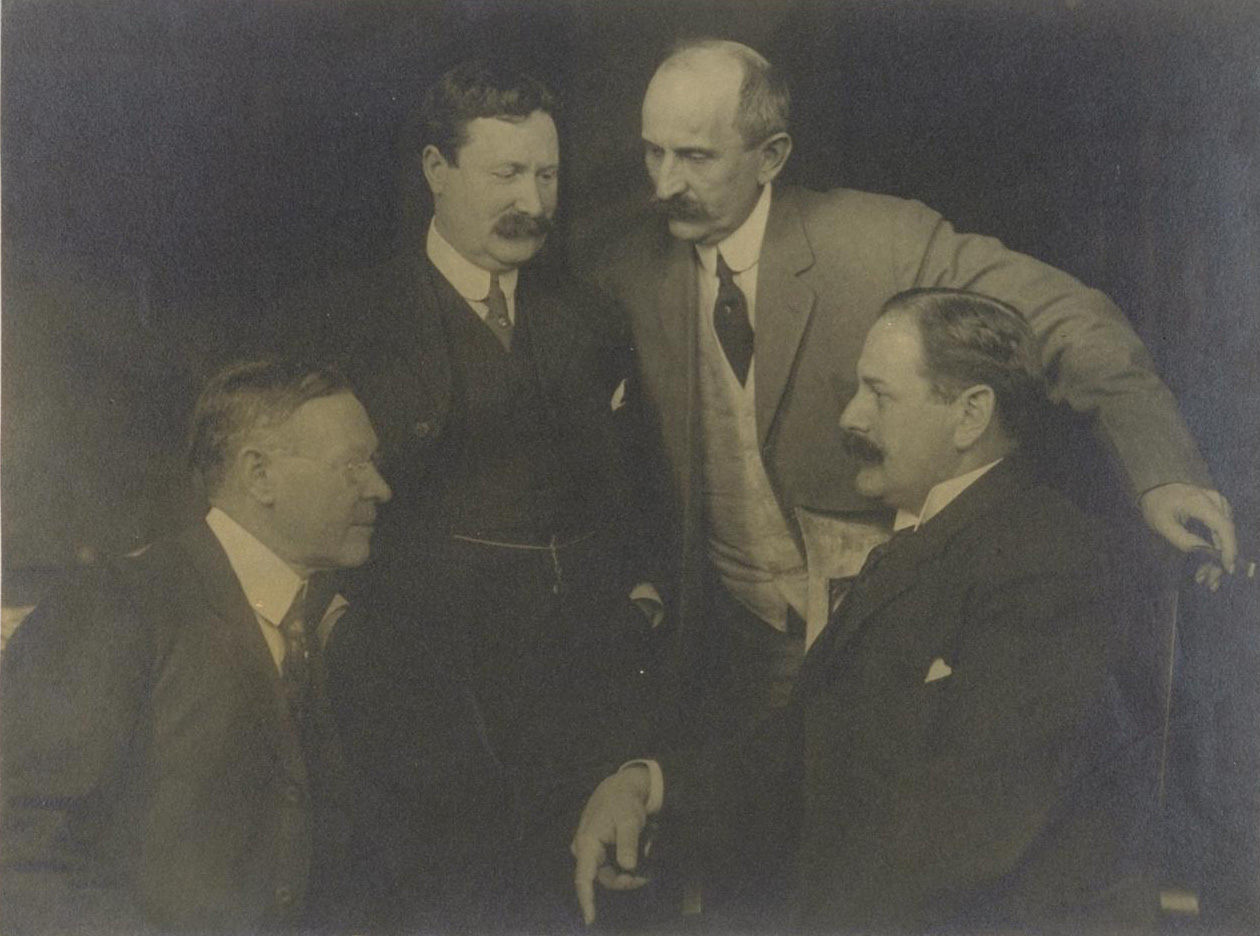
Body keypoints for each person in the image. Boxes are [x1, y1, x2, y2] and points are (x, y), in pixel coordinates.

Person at [590, 38, 1238, 743]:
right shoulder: (626, 265)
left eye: (695, 157)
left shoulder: (879, 240)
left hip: (880, 646)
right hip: (719, 648)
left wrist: (1162, 473)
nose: (664, 184)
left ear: (771, 156)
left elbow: (1070, 321)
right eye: (653, 153)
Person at [572, 288, 1160, 934]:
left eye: (879, 395)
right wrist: (647, 787)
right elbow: (811, 749)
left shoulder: (1049, 560)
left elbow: (963, 838)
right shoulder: (933, 539)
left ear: (970, 415)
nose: (851, 417)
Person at [286, 60, 665, 927]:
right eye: (507, 174)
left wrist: (643, 594)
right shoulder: (343, 323)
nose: (532, 200)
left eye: (548, 175)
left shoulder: (594, 319)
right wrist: (335, 622)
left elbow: (638, 486)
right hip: (419, 694)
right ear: (436, 169)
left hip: (580, 687)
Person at [0, 360, 401, 933]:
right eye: (353, 465)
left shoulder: (332, 626)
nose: (380, 489)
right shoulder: (119, 607)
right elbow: (19, 856)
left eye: (374, 463)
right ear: (259, 475)